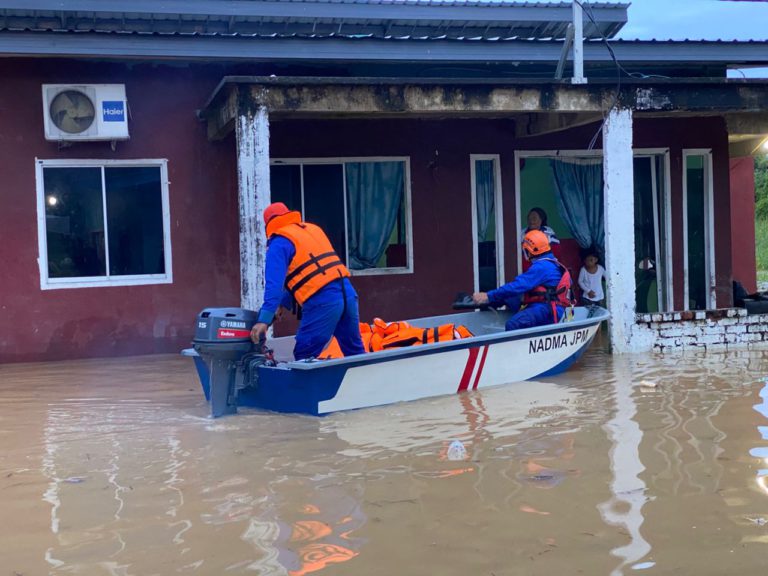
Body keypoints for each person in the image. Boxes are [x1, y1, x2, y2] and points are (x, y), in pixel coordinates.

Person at [250, 202, 366, 360]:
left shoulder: (279, 243)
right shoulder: (312, 230)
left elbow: (274, 286)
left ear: (268, 224)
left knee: (305, 355)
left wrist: (264, 320)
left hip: (323, 300)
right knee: (355, 352)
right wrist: (283, 304)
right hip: (348, 294)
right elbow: (310, 272)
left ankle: (311, 386)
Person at [472, 229, 573, 330]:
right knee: (511, 298)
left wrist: (488, 296)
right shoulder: (553, 263)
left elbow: (518, 286)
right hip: (553, 308)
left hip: (547, 309)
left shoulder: (541, 267)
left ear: (529, 250)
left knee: (513, 324)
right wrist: (495, 300)